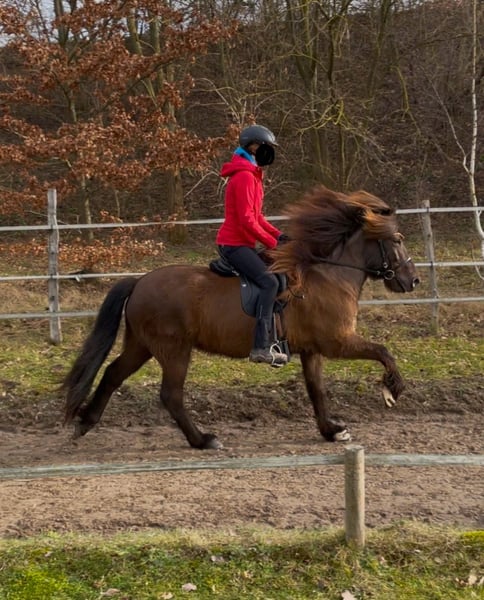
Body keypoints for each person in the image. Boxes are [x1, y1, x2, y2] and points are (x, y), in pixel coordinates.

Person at [216, 124, 288, 367]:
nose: (269, 152)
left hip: (243, 243)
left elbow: (258, 217)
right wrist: (271, 243)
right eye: (266, 147)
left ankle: (277, 338)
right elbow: (247, 221)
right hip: (234, 245)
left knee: (278, 275)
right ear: (253, 147)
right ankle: (260, 347)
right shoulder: (245, 177)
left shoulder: (253, 175)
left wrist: (279, 236)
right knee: (270, 283)